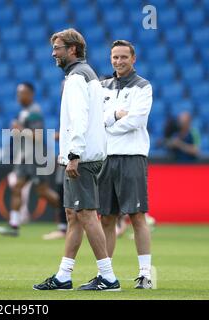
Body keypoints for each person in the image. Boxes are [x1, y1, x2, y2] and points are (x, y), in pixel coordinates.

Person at [33, 28, 120, 291]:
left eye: (57, 48)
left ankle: (108, 277)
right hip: (88, 154)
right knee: (74, 215)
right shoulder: (88, 75)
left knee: (86, 214)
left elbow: (80, 119)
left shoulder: (75, 79)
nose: (53, 53)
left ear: (72, 49)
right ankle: (63, 276)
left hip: (81, 158)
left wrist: (73, 155)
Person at [93, 40, 153, 289]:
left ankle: (145, 274)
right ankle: (106, 275)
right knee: (106, 218)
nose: (119, 61)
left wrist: (108, 124)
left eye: (123, 57)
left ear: (133, 58)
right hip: (106, 158)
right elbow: (96, 119)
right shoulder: (102, 86)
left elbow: (136, 121)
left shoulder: (143, 86)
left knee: (137, 217)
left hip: (132, 156)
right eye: (115, 57)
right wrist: (115, 116)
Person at [0, 82, 60, 237]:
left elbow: (37, 137)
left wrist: (19, 129)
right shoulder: (24, 112)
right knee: (17, 187)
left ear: (30, 94)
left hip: (36, 158)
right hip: (25, 157)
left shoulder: (34, 112)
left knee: (43, 192)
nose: (18, 96)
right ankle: (14, 225)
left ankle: (71, 215)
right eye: (18, 93)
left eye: (22, 93)